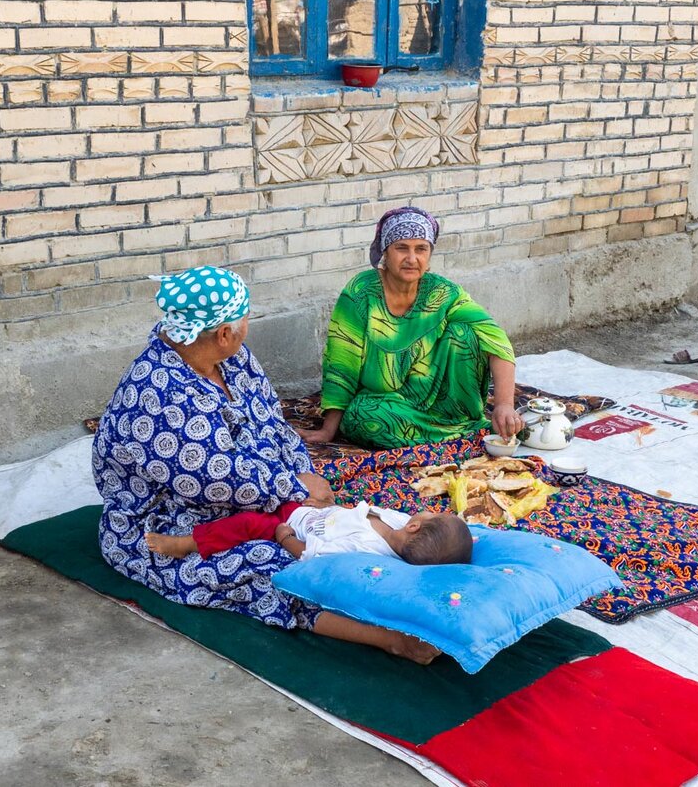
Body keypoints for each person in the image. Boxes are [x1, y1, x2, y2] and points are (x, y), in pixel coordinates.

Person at [93, 266, 440, 664]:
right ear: (224, 332)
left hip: (262, 496)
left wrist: (301, 476)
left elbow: (271, 421)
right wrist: (293, 486)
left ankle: (393, 593)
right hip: (172, 522)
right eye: (245, 319)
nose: (246, 327)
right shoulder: (160, 393)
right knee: (279, 565)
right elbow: (213, 479)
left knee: (346, 529)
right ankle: (389, 638)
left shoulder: (231, 358)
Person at [300, 207, 525, 450]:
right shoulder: (361, 292)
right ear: (385, 252)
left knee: (466, 333)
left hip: (440, 403)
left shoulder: (442, 292)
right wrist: (328, 429)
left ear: (429, 255)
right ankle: (466, 435)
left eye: (421, 249)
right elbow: (342, 362)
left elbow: (496, 340)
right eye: (401, 248)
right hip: (385, 402)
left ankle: (457, 427)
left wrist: (504, 404)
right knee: (361, 417)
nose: (412, 258)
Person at [147, 504, 473, 566]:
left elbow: (310, 553)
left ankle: (186, 545)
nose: (427, 509)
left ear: (416, 527)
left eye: (434, 513)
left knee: (246, 523)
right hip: (313, 509)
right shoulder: (398, 522)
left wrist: (284, 535)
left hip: (293, 524)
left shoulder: (365, 547)